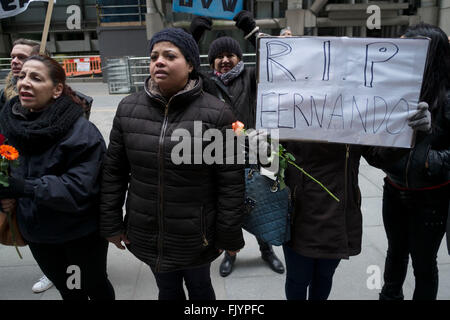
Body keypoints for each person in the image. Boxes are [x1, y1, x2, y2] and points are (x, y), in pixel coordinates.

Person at [99, 27, 245, 300]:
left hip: (197, 234)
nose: (159, 61)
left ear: (190, 65)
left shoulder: (217, 113)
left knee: (200, 288)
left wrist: (229, 234)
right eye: (154, 56)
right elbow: (114, 172)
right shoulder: (128, 108)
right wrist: (111, 223)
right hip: (146, 230)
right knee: (167, 289)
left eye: (169, 55)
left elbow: (230, 183)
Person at [0, 55, 115, 300]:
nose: (25, 83)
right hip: (37, 233)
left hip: (79, 233)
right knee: (68, 290)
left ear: (57, 89)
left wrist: (24, 187)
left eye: (36, 78)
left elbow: (79, 187)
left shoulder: (81, 132)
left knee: (94, 286)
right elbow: (7, 171)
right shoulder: (11, 124)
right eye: (22, 77)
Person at [189, 11, 285, 277]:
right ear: (212, 62)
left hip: (260, 149)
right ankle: (231, 252)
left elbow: (276, 59)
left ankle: (267, 249)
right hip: (222, 154)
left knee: (264, 202)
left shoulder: (253, 78)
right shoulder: (205, 84)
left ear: (240, 58)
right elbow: (184, 65)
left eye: (230, 55)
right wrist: (195, 35)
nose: (224, 60)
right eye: (218, 56)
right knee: (229, 207)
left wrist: (252, 30)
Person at [378, 23, 450, 300]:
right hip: (394, 190)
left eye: (411, 48)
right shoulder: (398, 87)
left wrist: (428, 158)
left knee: (423, 262)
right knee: (395, 253)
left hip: (431, 198)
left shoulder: (446, 96)